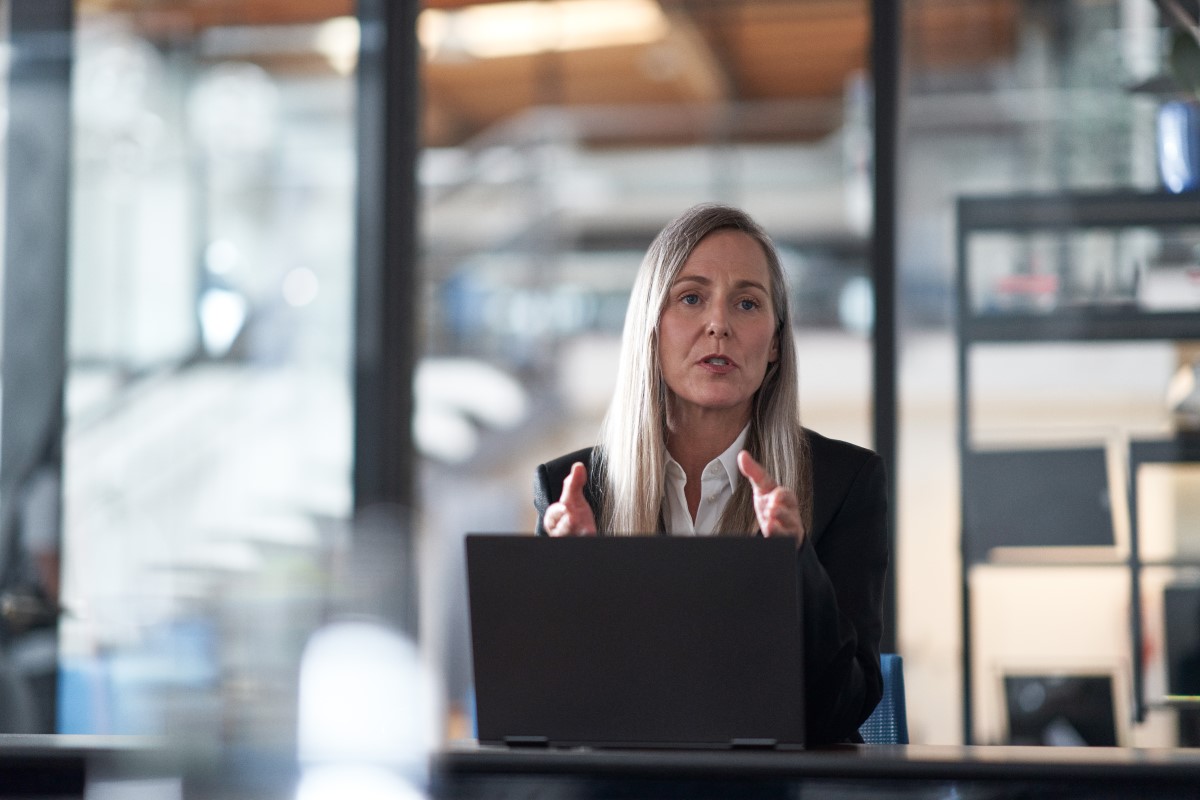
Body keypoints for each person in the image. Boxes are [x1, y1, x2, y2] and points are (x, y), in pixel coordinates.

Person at [532, 203, 888, 745]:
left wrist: (795, 563)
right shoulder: (575, 490)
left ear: (773, 343)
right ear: (651, 329)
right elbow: (553, 712)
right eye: (691, 298)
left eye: (747, 303)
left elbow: (843, 709)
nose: (718, 324)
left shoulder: (846, 481)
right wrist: (582, 580)